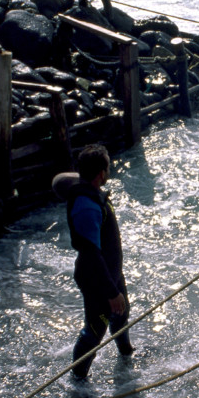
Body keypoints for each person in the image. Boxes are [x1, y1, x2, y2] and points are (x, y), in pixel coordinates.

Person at [56, 144, 134, 378]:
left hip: (111, 274)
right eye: (108, 166)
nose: (110, 170)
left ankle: (126, 353)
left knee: (122, 314)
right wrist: (111, 292)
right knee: (95, 328)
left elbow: (60, 181)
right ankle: (78, 379)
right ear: (101, 173)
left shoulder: (86, 188)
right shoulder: (86, 207)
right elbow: (91, 254)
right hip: (98, 281)